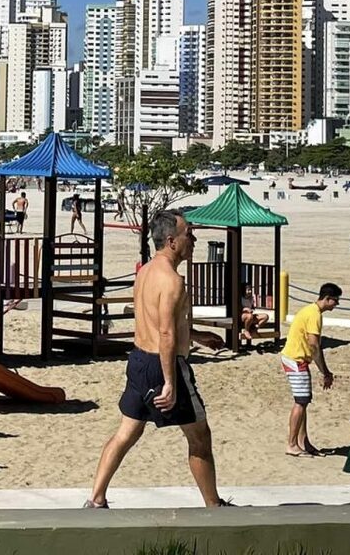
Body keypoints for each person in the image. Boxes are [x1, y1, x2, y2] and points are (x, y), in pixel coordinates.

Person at [86, 210, 230, 509]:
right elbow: (165, 333)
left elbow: (157, 322)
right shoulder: (173, 280)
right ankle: (214, 506)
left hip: (138, 360)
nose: (193, 239)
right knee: (200, 439)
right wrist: (170, 382)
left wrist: (197, 336)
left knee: (126, 432)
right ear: (171, 241)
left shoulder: (145, 272)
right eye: (188, 233)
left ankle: (96, 498)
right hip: (164, 366)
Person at [281, 281, 342, 457]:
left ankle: (303, 442)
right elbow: (314, 345)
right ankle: (291, 444)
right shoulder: (314, 314)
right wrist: (325, 372)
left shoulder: (310, 311)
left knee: (304, 401)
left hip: (296, 358)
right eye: (335, 301)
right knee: (300, 402)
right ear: (327, 299)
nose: (336, 305)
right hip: (296, 359)